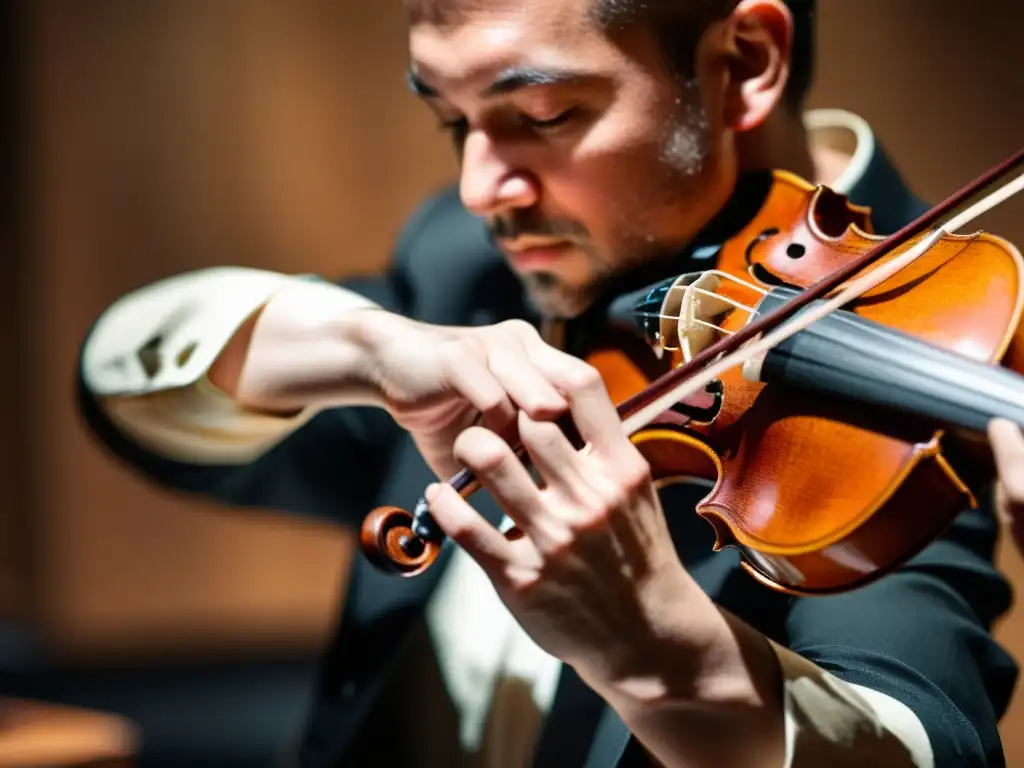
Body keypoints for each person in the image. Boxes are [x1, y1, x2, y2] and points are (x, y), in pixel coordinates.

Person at [75, 0, 1019, 766]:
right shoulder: (474, 270)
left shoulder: (905, 406)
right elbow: (129, 386)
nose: (482, 189)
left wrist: (668, 659)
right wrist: (367, 349)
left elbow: (929, 740)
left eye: (543, 116)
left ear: (745, 59)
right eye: (451, 119)